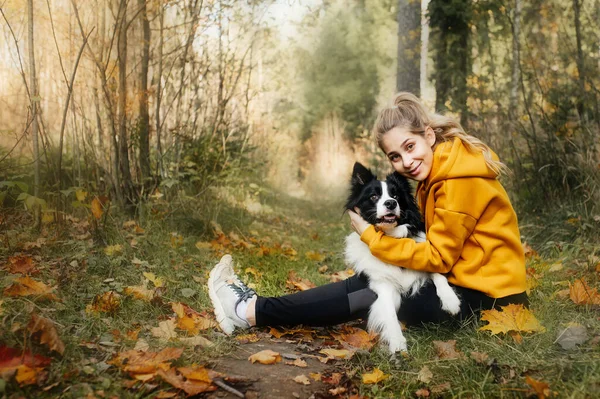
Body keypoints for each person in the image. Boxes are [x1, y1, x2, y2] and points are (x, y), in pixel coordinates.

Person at [207, 92, 528, 335]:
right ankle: (254, 308)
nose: (406, 161)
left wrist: (371, 236)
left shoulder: (458, 179)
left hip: (490, 302)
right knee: (370, 280)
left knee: (370, 290)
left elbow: (438, 258)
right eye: (395, 156)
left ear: (428, 135)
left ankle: (247, 311)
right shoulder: (441, 171)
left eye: (410, 146)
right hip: (472, 287)